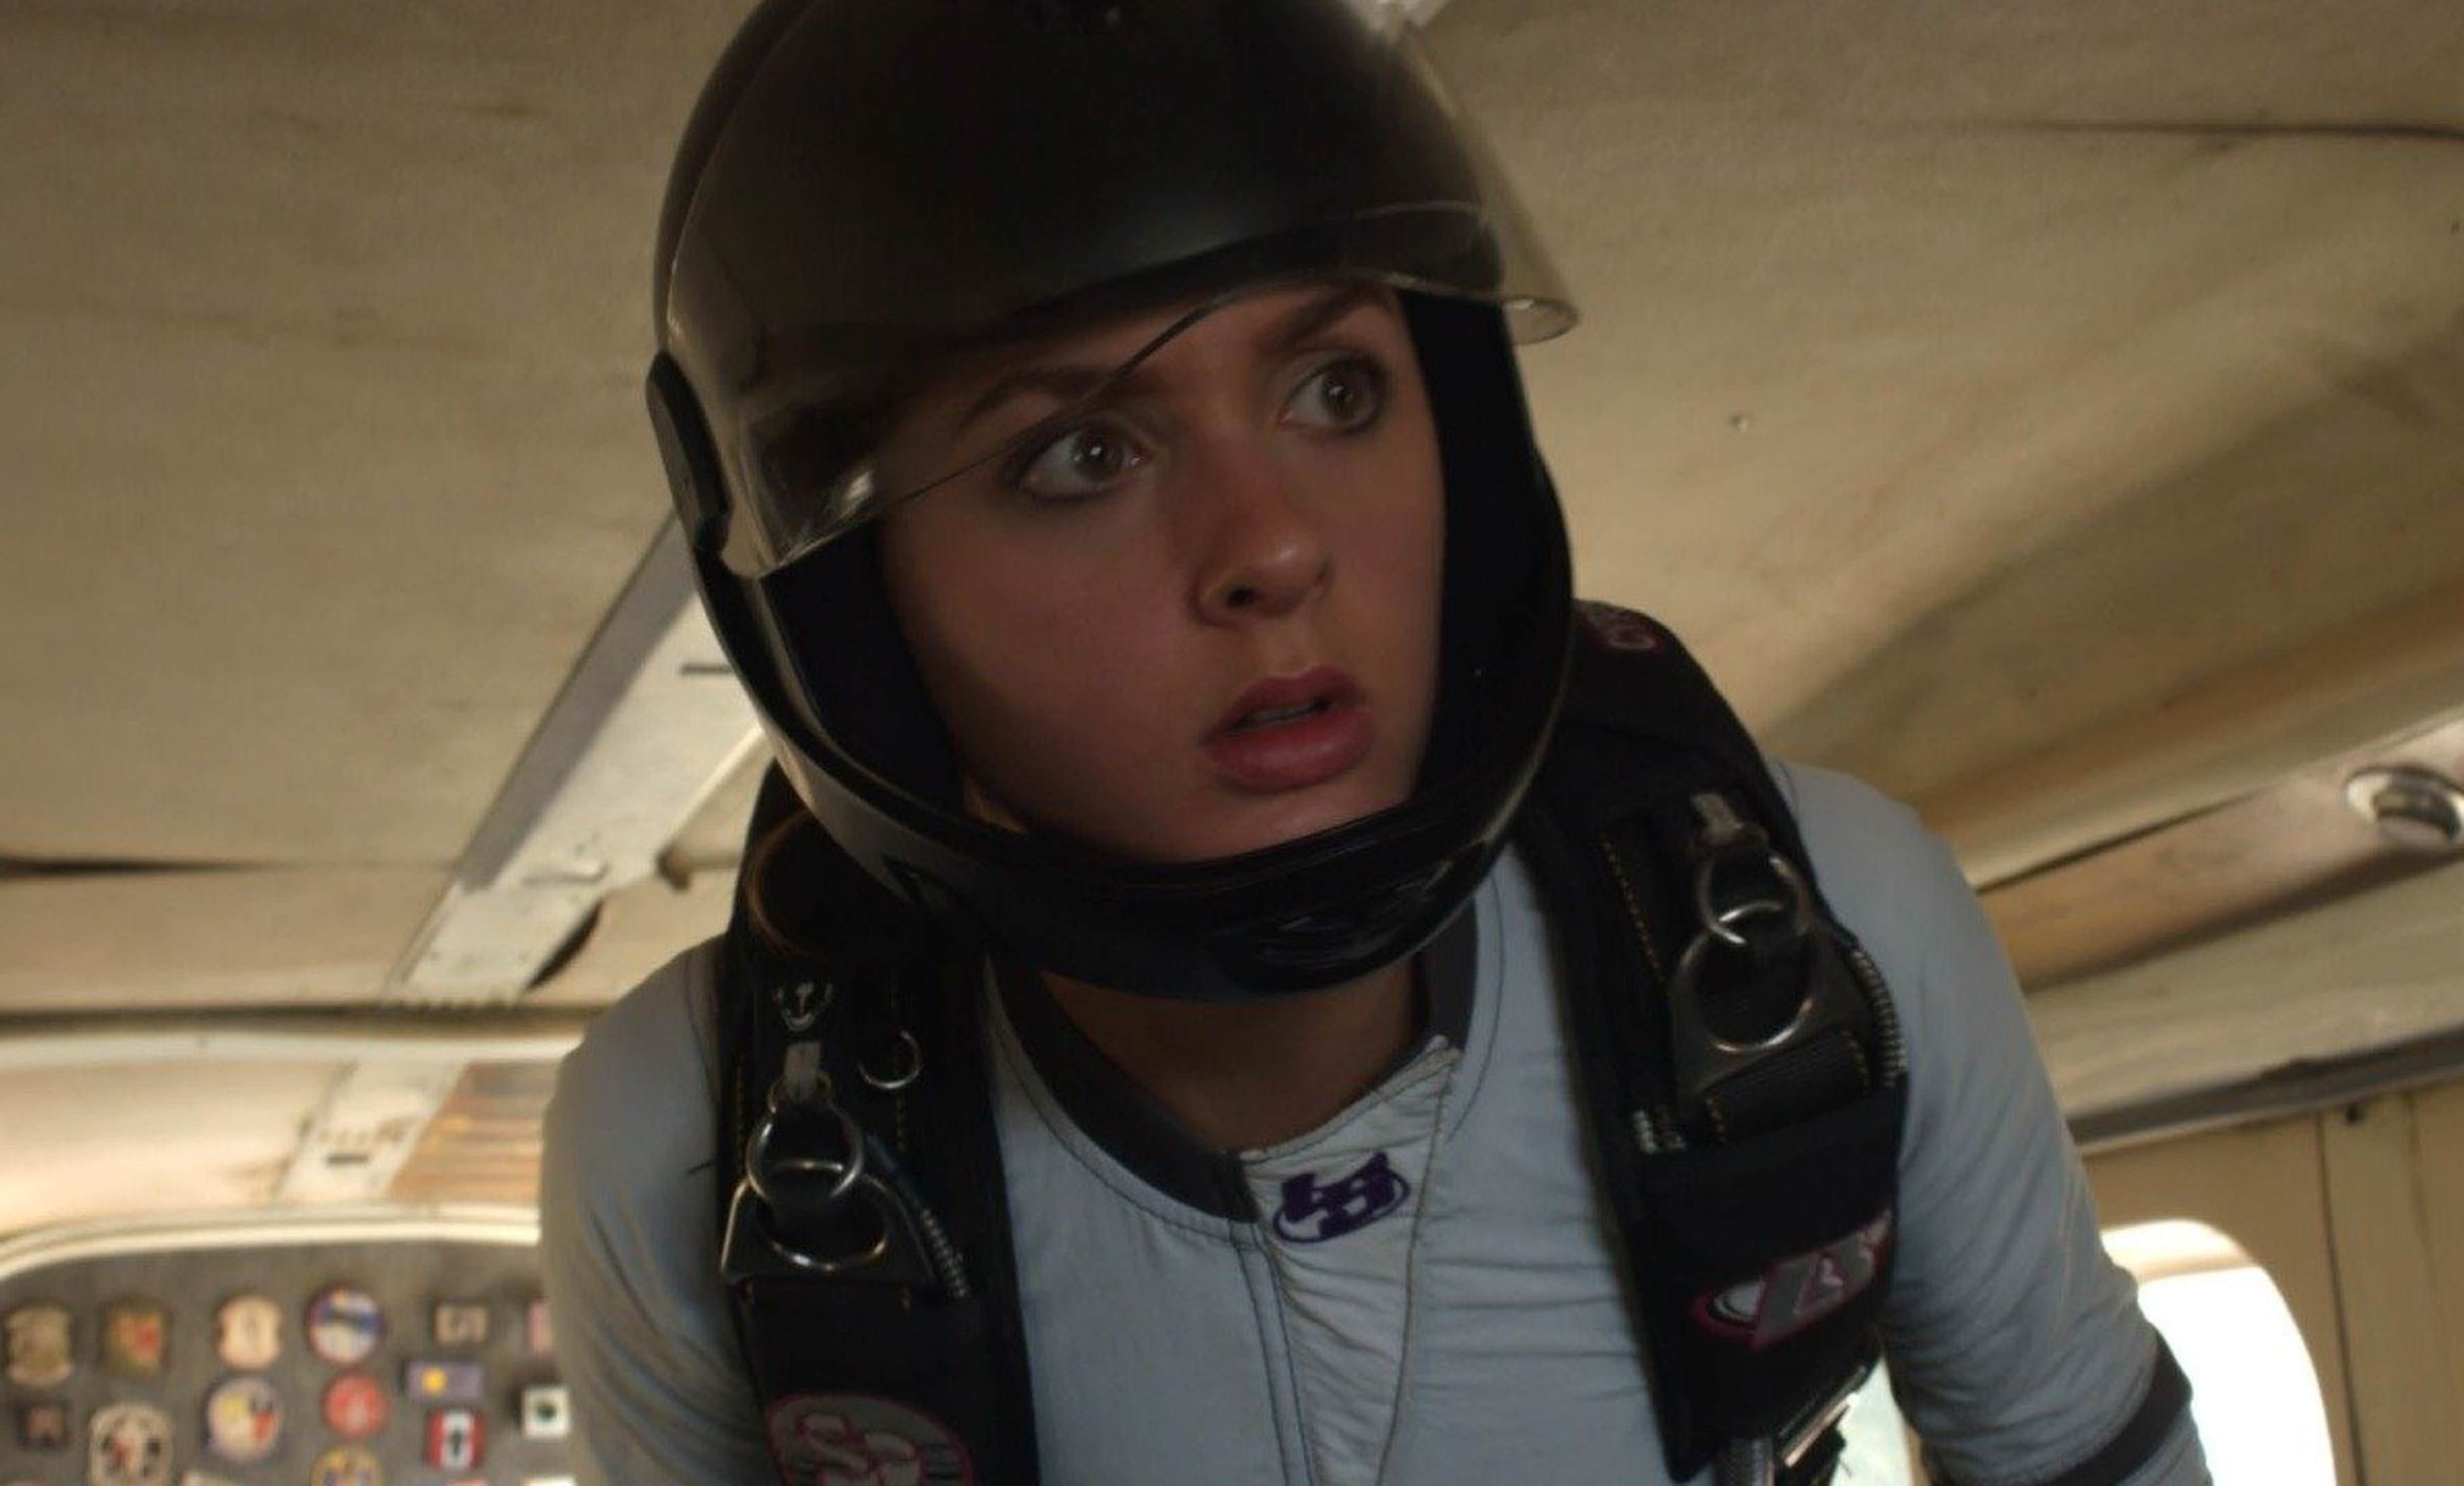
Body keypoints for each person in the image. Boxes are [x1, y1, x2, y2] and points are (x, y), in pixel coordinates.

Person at [539, 2, 2209, 1483]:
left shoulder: (1839, 935)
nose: (1273, 546)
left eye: (1334, 390)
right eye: (1082, 455)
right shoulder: (693, 1142)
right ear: (853, 608)